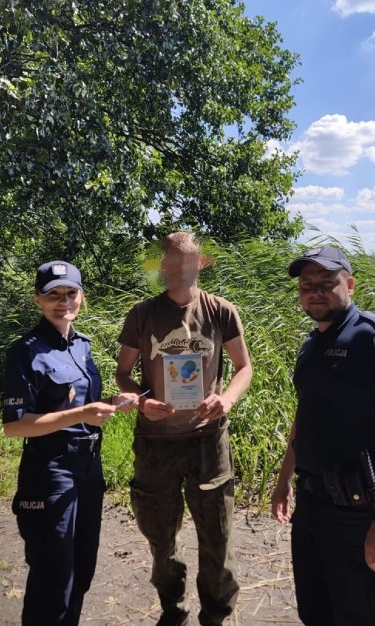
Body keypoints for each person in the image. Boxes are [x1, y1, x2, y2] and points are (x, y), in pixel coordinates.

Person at [270, 246, 375, 626]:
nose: (316, 291)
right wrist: (285, 479)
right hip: (312, 506)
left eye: (327, 282)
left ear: (349, 285)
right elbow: (305, 416)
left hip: (359, 515)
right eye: (307, 285)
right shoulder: (312, 343)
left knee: (367, 617)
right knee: (316, 612)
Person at [115, 232, 253, 626]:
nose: (181, 267)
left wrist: (225, 400)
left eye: (188, 260)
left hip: (208, 441)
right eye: (173, 261)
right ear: (164, 268)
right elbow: (123, 374)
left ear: (199, 264)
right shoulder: (142, 314)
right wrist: (142, 400)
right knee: (161, 537)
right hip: (156, 443)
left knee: (218, 539)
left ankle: (216, 615)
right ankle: (172, 610)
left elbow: (244, 368)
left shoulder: (221, 310)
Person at [2, 260, 140, 626]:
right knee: (52, 575)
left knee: (82, 568)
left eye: (70, 293)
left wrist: (110, 404)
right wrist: (81, 416)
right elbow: (15, 426)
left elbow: (77, 403)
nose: (63, 302)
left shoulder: (81, 346)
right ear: (37, 300)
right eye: (53, 295)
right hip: (50, 472)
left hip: (88, 470)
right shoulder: (27, 352)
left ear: (81, 297)